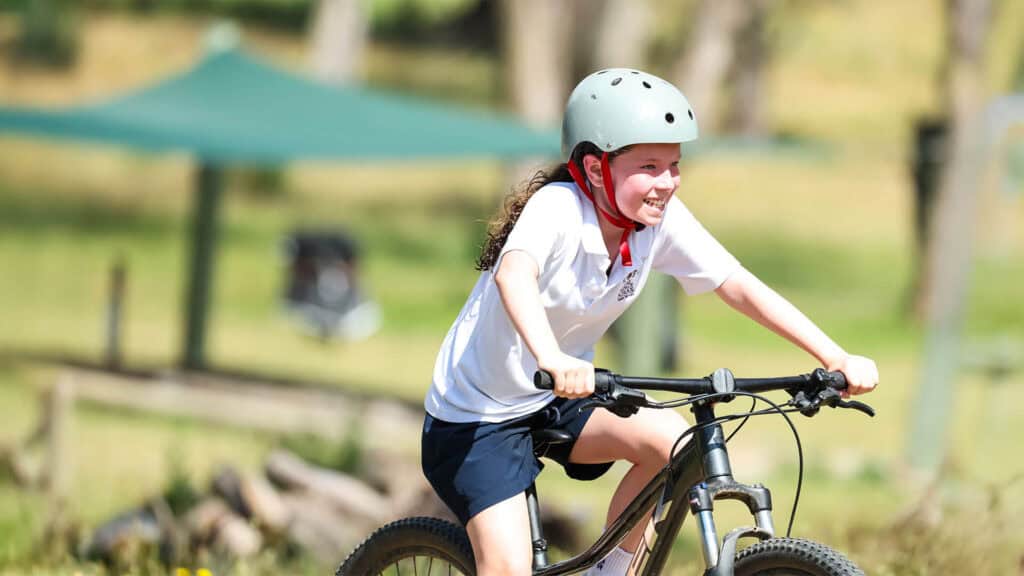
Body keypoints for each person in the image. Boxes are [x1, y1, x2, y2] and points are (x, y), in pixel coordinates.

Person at [421, 68, 879, 576]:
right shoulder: (557, 209)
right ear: (595, 168)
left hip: (563, 395)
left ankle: (609, 572)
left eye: (674, 165)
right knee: (507, 568)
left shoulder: (656, 221)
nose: (667, 183)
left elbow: (737, 284)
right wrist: (550, 357)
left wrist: (833, 355)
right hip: (478, 416)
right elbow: (514, 275)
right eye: (649, 166)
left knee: (676, 445)